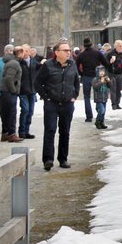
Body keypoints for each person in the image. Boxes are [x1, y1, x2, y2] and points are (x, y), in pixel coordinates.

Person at [36, 38, 81, 170]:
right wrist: (46, 97)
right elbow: (37, 83)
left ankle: (63, 159)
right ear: (57, 52)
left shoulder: (72, 64)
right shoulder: (48, 65)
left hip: (67, 103)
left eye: (69, 50)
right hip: (52, 103)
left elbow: (76, 81)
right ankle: (48, 159)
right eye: (65, 50)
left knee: (65, 131)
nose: (68, 52)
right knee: (50, 130)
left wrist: (74, 95)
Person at [0, 44, 23, 141]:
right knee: (11, 113)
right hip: (8, 92)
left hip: (4, 91)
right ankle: (11, 134)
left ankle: (5, 133)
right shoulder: (14, 63)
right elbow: (9, 78)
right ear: (19, 53)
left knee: (5, 112)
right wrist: (13, 90)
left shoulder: (9, 62)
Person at [76, 37, 106, 122]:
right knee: (99, 96)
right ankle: (100, 113)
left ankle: (89, 116)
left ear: (84, 45)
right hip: (97, 77)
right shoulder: (97, 53)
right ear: (91, 44)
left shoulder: (81, 55)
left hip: (86, 77)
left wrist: (82, 74)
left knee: (87, 97)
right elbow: (105, 63)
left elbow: (76, 66)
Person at [17, 44, 41, 139]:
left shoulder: (33, 61)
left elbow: (40, 68)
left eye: (27, 51)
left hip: (32, 90)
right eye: (23, 51)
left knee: (30, 111)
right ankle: (22, 131)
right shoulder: (19, 62)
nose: (25, 53)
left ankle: (27, 131)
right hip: (22, 90)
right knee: (25, 110)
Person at [107, 40, 122, 110]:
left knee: (119, 89)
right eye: (120, 46)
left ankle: (117, 103)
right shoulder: (110, 53)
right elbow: (106, 63)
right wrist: (110, 61)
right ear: (116, 46)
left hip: (121, 74)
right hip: (112, 74)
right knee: (113, 89)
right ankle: (114, 104)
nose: (121, 47)